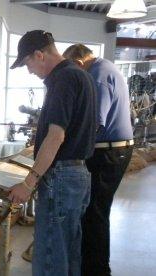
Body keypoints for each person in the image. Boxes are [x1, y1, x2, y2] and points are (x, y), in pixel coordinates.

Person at [8, 30, 97, 276]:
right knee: (68, 252)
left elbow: (56, 137)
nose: (29, 71)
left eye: (28, 63)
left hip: (61, 177)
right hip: (77, 175)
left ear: (39, 55)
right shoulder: (81, 75)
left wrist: (29, 183)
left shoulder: (63, 80)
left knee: (50, 255)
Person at [63, 44, 134, 276]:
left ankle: (96, 270)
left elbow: (94, 122)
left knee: (95, 213)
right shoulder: (106, 68)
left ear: (80, 62)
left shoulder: (98, 76)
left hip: (108, 153)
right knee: (96, 211)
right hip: (113, 150)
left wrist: (68, 146)